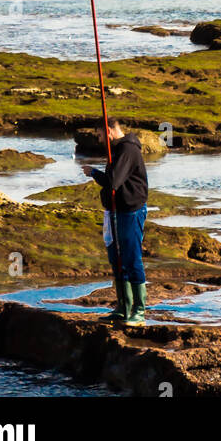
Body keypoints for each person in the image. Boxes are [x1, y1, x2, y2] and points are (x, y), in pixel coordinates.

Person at [90, 118, 149, 328]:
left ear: (109, 131)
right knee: (117, 259)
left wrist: (95, 173)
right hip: (116, 211)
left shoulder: (127, 150)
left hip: (130, 212)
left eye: (99, 135)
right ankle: (123, 308)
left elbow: (114, 181)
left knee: (132, 258)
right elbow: (113, 180)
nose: (98, 140)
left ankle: (139, 312)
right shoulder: (117, 150)